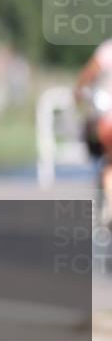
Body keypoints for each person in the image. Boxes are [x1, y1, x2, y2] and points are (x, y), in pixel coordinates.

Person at [75, 38, 112, 222]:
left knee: (107, 161)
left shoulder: (107, 50)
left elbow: (87, 74)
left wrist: (78, 93)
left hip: (107, 122)